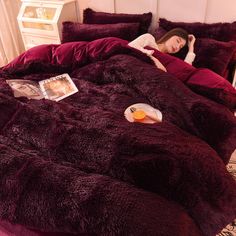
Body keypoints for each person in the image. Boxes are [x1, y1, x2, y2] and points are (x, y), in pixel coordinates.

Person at [128, 28, 196, 72]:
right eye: (178, 41)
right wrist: (153, 58)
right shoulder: (149, 39)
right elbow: (130, 47)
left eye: (180, 47)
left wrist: (191, 47)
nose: (177, 47)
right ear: (170, 35)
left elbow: (186, 70)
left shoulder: (169, 60)